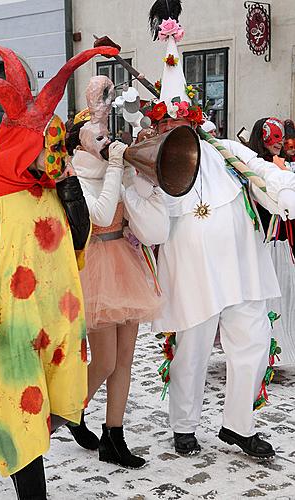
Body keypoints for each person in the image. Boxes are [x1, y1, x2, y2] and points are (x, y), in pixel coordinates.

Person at [0, 44, 118, 499]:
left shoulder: (50, 189)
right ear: (23, 146)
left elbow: (76, 243)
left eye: (54, 144)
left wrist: (72, 195)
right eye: (47, 146)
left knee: (47, 407)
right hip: (10, 329)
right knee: (19, 414)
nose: (55, 153)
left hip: (55, 323)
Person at [147, 0, 295, 459]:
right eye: (170, 120)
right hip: (193, 274)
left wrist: (285, 192)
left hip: (242, 267)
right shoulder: (152, 165)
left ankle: (238, 424)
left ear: (194, 117)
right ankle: (184, 425)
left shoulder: (225, 149)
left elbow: (266, 177)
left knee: (251, 343)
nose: (179, 126)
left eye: (183, 118)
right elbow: (151, 225)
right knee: (192, 349)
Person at [65, 75, 169, 469]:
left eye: (105, 133)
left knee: (125, 358)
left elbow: (136, 209)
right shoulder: (74, 175)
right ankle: (71, 410)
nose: (106, 139)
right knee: (105, 361)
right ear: (80, 141)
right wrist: (114, 167)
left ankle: (114, 435)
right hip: (95, 268)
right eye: (97, 135)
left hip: (126, 262)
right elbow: (103, 213)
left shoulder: (115, 166)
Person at [248, 117, 295, 366]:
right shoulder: (256, 168)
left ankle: (279, 351)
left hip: (282, 243)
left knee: (285, 296)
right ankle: (265, 353)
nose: (280, 143)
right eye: (274, 138)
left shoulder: (280, 165)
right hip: (265, 242)